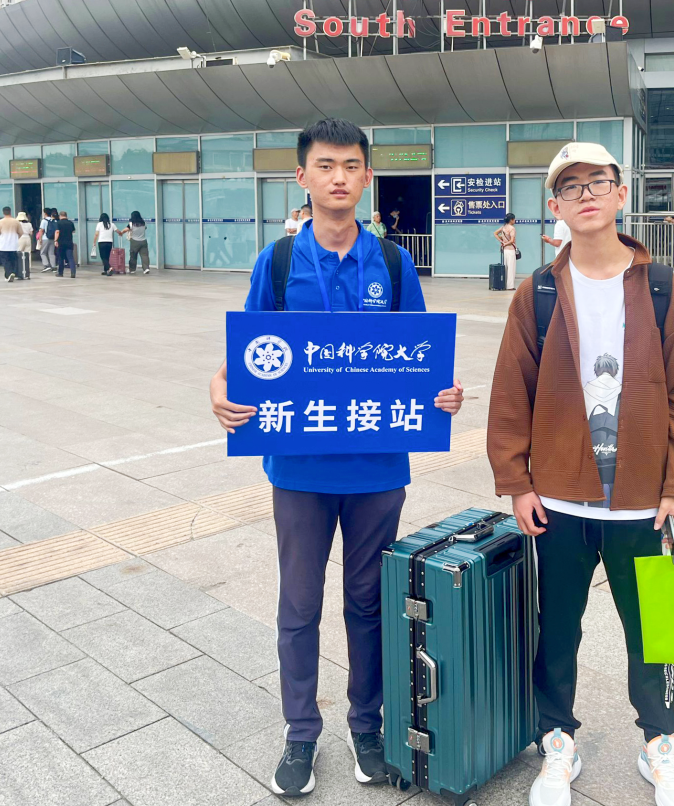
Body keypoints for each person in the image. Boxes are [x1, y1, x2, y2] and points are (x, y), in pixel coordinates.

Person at [208, 117, 464, 799]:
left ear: (367, 177)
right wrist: (219, 388)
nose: (339, 177)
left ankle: (366, 727)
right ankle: (300, 733)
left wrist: (444, 393)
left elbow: (422, 359)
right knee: (299, 605)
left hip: (377, 468)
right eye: (325, 166)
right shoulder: (278, 263)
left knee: (368, 603)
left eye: (351, 165)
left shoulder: (393, 264)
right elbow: (244, 359)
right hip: (299, 469)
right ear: (303, 177)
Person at [487, 142, 674, 806]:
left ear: (620, 194)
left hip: (642, 500)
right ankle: (557, 740)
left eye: (597, 182)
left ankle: (659, 743)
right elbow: (511, 392)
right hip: (560, 500)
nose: (585, 194)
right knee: (557, 628)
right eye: (570, 186)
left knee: (653, 630)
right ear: (554, 206)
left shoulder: (661, 286)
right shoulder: (538, 292)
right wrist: (517, 482)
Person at [0, 207, 23, 282]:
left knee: (5, 260)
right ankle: (13, 272)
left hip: (3, 245)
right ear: (10, 212)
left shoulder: (0, 222)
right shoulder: (16, 222)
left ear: (3, 212)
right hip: (13, 245)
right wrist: (16, 238)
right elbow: (21, 233)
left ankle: (8, 274)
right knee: (13, 260)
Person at [494, 212, 519, 291]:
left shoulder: (503, 227)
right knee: (511, 268)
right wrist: (505, 243)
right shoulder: (512, 228)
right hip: (511, 250)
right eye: (514, 219)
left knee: (505, 268)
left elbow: (495, 233)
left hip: (505, 251)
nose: (514, 221)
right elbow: (512, 240)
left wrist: (502, 242)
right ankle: (510, 286)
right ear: (511, 220)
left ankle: (504, 284)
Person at [53, 211, 76, 279]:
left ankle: (60, 273)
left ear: (60, 216)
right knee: (70, 258)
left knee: (61, 258)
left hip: (61, 243)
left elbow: (57, 232)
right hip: (69, 242)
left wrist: (55, 240)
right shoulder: (70, 223)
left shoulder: (58, 223)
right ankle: (73, 272)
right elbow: (73, 231)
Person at [16, 212, 34, 279]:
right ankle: (28, 267)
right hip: (28, 238)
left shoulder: (18, 224)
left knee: (19, 253)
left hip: (20, 238)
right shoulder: (29, 224)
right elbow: (31, 233)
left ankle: (20, 267)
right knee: (28, 253)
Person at [38, 208, 57, 272]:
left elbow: (41, 230)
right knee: (51, 253)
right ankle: (53, 266)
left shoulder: (44, 221)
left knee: (43, 253)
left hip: (45, 238)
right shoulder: (53, 220)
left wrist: (40, 239)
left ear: (45, 213)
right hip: (52, 238)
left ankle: (46, 265)